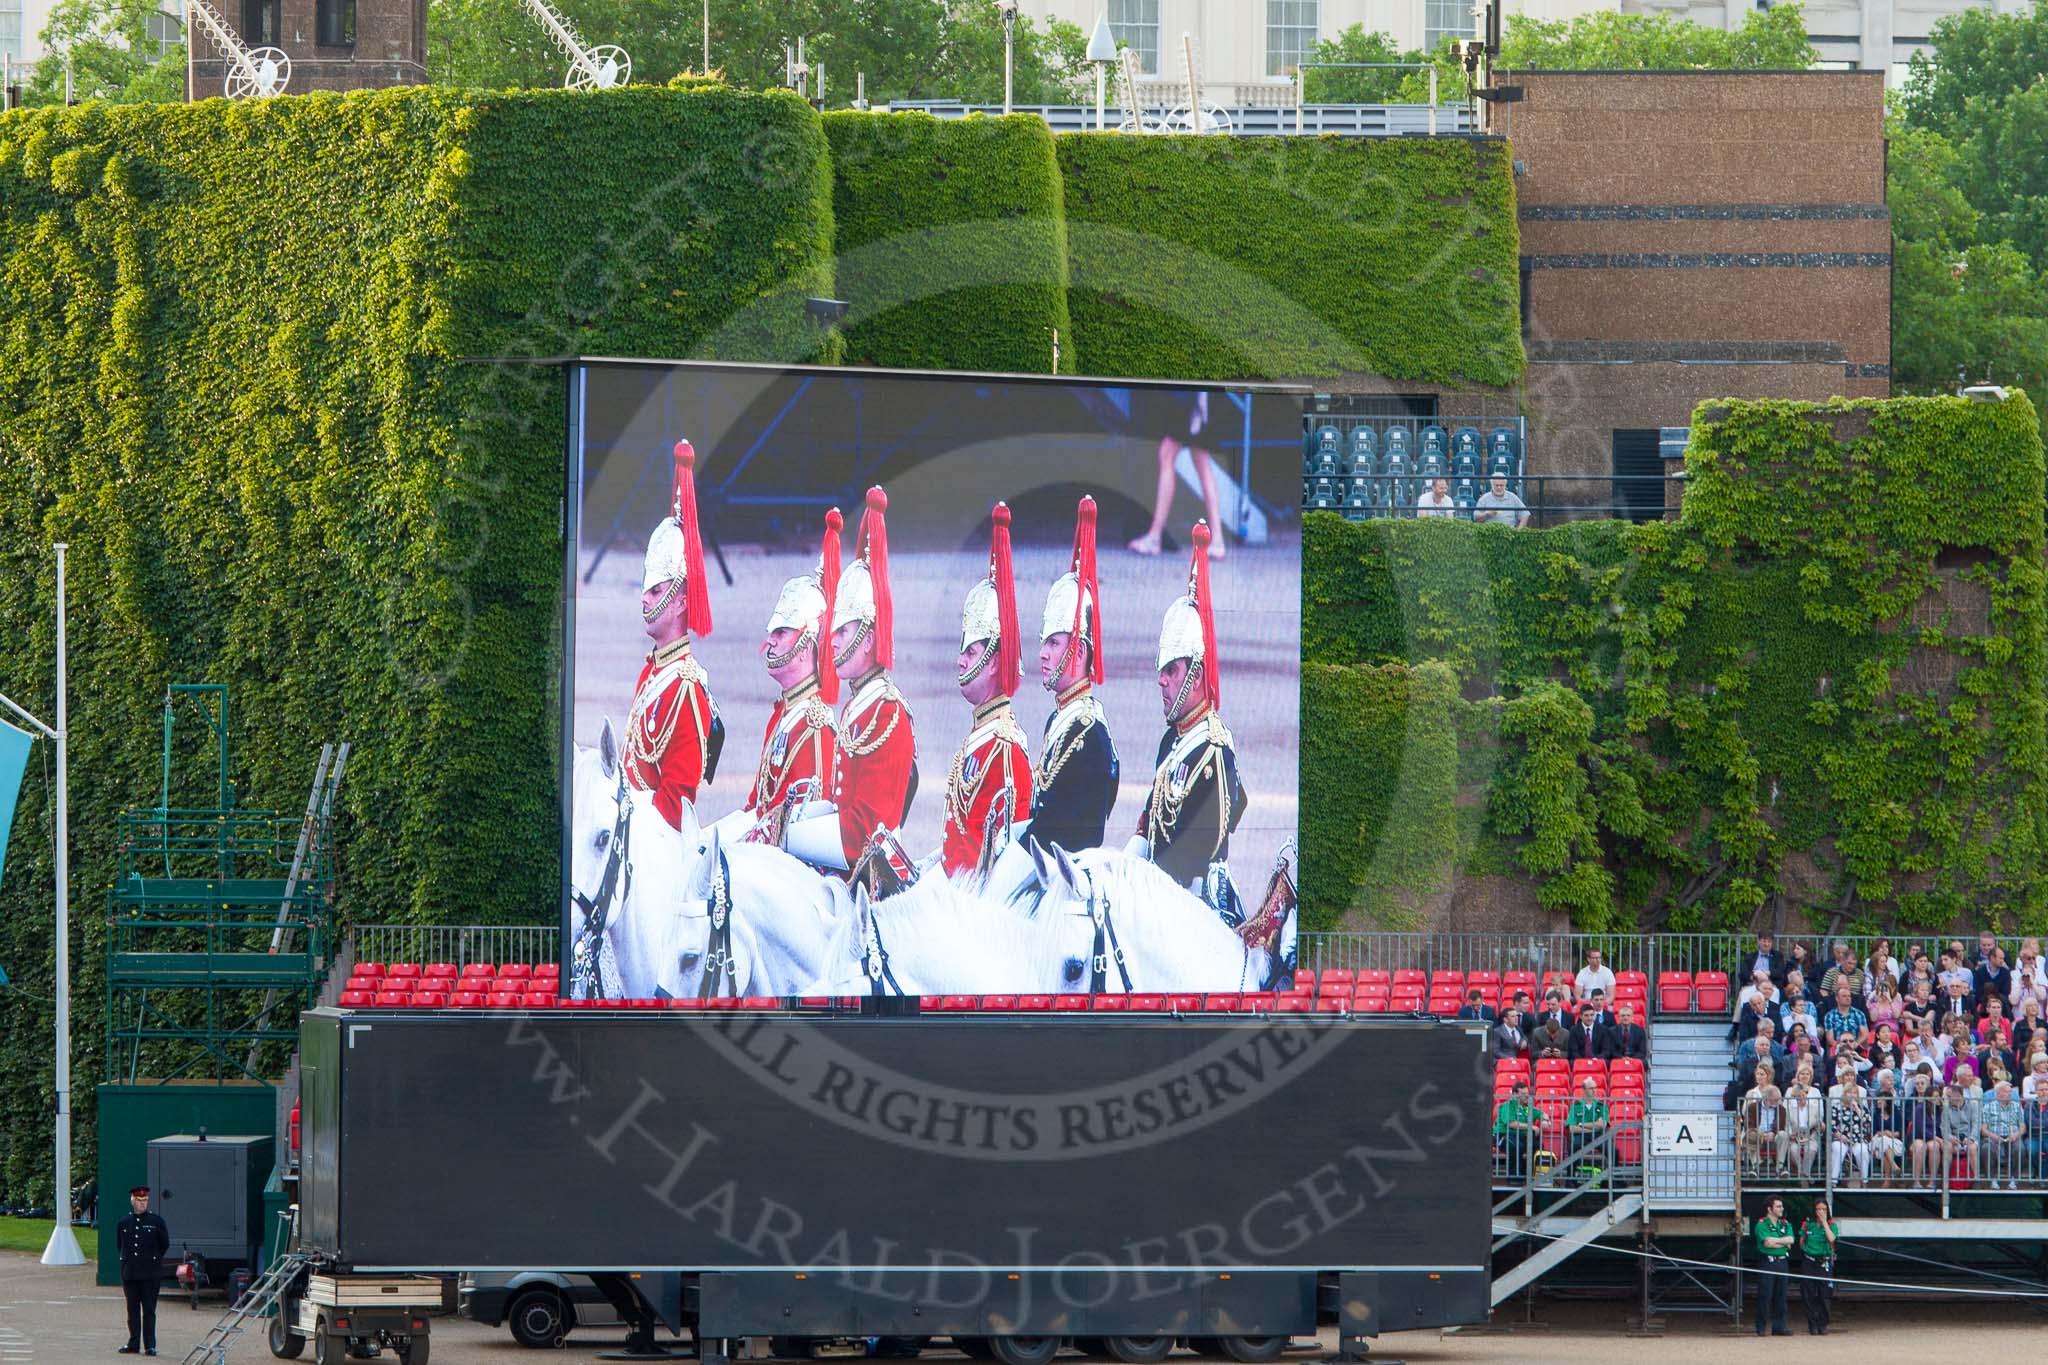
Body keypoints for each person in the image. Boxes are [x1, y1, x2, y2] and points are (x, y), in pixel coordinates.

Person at [795, 487, 919, 888]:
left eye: (843, 631)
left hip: (872, 884)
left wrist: (788, 835)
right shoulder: (857, 708)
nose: (830, 641)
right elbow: (839, 802)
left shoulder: (887, 711)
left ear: (868, 637)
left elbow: (864, 832)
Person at [1140, 521, 1246, 911]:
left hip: (1192, 906)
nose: (1161, 681)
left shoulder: (1214, 753)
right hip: (1159, 891)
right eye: (1161, 671)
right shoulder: (1173, 740)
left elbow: (1200, 855)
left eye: (1172, 672)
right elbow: (1149, 821)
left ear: (1196, 675)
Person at [624, 441, 723, 832]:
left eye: (655, 591)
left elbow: (675, 806)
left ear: (681, 601)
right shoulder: (653, 672)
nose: (645, 600)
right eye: (645, 590)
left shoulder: (685, 688)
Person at [741, 509, 843, 845]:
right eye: (772, 631)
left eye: (782, 632)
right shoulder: (783, 716)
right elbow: (758, 806)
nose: (770, 641)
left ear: (805, 646)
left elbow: (800, 826)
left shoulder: (814, 727)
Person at [943, 504, 1033, 881]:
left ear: (995, 661)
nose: (961, 662)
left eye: (972, 652)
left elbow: (1001, 865)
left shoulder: (1005, 748)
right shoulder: (983, 737)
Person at [1029, 496, 1120, 858]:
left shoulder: (1088, 732)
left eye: (1054, 643)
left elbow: (1067, 836)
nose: (1043, 653)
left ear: (1079, 652)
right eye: (1044, 643)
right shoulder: (1060, 719)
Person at [1128, 389, 1226, 559]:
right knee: (1201, 461)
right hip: (1198, 396)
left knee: (1169, 454)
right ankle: (1217, 540)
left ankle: (1155, 536)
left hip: (1192, 396)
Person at [116, 1184, 169, 1356]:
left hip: (150, 1273)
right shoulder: (124, 1222)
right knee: (132, 1310)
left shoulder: (156, 1222)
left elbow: (164, 1245)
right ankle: (133, 1343)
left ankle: (150, 1345)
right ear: (133, 1201)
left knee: (149, 1310)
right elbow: (120, 1245)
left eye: (145, 1200)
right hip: (130, 1272)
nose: (142, 1204)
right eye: (139, 1201)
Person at [1752, 1196, 1794, 1336]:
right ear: (1769, 1209)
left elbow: (1791, 1240)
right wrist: (1783, 1242)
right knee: (1765, 1295)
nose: (1781, 1209)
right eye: (1778, 1206)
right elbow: (1767, 1243)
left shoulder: (1785, 1224)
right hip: (1767, 1262)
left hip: (1782, 1262)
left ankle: (1779, 1327)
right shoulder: (1762, 1224)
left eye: (1781, 1206)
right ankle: (1761, 1327)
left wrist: (1776, 1240)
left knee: (1781, 1295)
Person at [1798, 1200, 1837, 1334]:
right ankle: (1812, 1324)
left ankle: (1823, 1323)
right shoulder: (1807, 1224)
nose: (1821, 1212)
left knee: (1824, 1294)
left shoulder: (1831, 1224)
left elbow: (1832, 1238)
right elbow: (1802, 1242)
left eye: (1824, 1209)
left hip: (1824, 1262)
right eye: (1819, 1209)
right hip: (1809, 1261)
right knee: (1808, 1294)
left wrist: (1825, 1222)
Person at [1980, 1079, 2025, 1188]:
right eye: (2007, 1092)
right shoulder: (1988, 1107)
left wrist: (2016, 1134)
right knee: (1987, 1147)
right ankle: (1993, 1179)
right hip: (1993, 1136)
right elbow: (1983, 1129)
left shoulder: (2017, 1106)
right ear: (1998, 1093)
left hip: (2012, 1136)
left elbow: (2023, 1127)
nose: (2010, 1094)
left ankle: (2014, 1179)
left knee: (2020, 1148)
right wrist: (1993, 1136)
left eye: (2011, 1092)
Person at [1903, 1068, 1943, 1184]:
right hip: (1917, 1136)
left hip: (1933, 1138)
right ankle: (1916, 1182)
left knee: (1934, 1146)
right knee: (1920, 1146)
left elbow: (1942, 1127)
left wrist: (1938, 1138)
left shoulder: (1940, 1110)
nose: (1936, 1099)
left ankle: (1932, 1181)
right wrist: (1936, 1137)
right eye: (1934, 1097)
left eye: (1938, 1097)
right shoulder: (1920, 1108)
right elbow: (1920, 1128)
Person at [1493, 1080, 1540, 1179]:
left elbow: (1541, 1113)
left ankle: (1530, 1175)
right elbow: (1511, 1123)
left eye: (1527, 1093)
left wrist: (1544, 1119)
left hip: (1519, 1135)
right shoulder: (1508, 1105)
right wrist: (1531, 1126)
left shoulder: (1526, 1108)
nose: (1526, 1096)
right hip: (1502, 1135)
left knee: (1536, 1145)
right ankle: (1514, 1177)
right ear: (1514, 1094)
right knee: (1516, 1146)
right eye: (1523, 1094)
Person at [1828, 1082, 1872, 1184]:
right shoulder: (1836, 1107)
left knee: (1863, 1151)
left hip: (1858, 1139)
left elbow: (1868, 1123)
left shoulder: (1862, 1108)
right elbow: (1832, 1125)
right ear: (1844, 1094)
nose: (1852, 1095)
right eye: (1849, 1092)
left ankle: (1864, 1180)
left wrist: (1857, 1109)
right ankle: (1833, 1181)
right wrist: (1839, 1136)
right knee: (1838, 1150)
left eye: (1854, 1093)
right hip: (1840, 1139)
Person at [1563, 1076, 1610, 1173]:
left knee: (1613, 1151)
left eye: (1595, 1088)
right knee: (1573, 1148)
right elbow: (1572, 1128)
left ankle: (1615, 1179)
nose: (1594, 1091)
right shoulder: (1575, 1106)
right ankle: (1570, 1179)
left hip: (1598, 1136)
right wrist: (1592, 1127)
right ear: (1584, 1090)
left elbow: (1602, 1125)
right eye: (1591, 1088)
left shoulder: (1601, 1106)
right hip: (1581, 1135)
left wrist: (1581, 1124)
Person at [1782, 1077, 1822, 1180]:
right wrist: (1791, 1134)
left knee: (1812, 1149)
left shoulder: (1814, 1107)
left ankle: (1805, 1174)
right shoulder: (1790, 1109)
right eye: (1798, 1096)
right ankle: (1802, 1174)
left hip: (1810, 1135)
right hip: (1795, 1136)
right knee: (1794, 1149)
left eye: (1803, 1095)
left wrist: (1810, 1137)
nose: (1801, 1098)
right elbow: (1786, 1123)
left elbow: (1818, 1124)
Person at [1869, 1070, 1905, 1182]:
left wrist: (1890, 1134)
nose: (1878, 1102)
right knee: (1884, 1141)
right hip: (1877, 1141)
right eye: (1878, 1100)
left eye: (1881, 1100)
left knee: (1886, 1146)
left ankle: (1887, 1180)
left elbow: (1899, 1132)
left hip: (1893, 1141)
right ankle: (1894, 1167)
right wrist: (1884, 1133)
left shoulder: (1897, 1113)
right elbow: (1874, 1132)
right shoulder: (1876, 1115)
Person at [1942, 1081, 1981, 1181]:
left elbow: (1976, 1124)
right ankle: (1946, 1178)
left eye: (1949, 1096)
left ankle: (1976, 1179)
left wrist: (1971, 1138)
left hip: (1970, 1137)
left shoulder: (1973, 1104)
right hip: (1954, 1138)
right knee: (1948, 1146)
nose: (1946, 1098)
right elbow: (1944, 1128)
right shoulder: (1946, 1107)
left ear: (1959, 1096)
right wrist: (1951, 1138)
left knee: (1972, 1148)